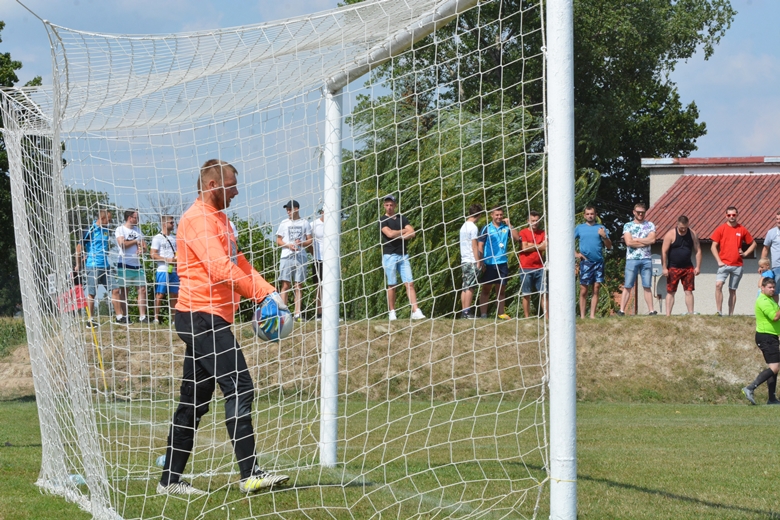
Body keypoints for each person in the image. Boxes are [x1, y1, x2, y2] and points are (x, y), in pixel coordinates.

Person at [158, 159, 290, 496]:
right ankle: (250, 474)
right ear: (214, 185)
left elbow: (239, 262)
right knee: (241, 386)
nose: (236, 191)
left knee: (194, 401)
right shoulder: (198, 219)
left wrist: (270, 293)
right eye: (232, 185)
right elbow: (218, 268)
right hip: (200, 317)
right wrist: (261, 295)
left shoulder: (222, 220)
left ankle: (170, 481)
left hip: (207, 318)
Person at [380, 195, 425, 321]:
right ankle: (392, 311)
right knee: (392, 284)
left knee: (409, 283)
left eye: (391, 205)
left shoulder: (402, 218)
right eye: (387, 205)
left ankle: (415, 310)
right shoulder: (383, 220)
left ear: (395, 205)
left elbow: (412, 232)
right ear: (384, 206)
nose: (389, 207)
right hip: (389, 255)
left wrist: (397, 234)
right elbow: (388, 233)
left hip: (403, 255)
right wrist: (403, 232)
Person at [75, 209, 122, 327]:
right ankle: (90, 320)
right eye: (109, 219)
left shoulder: (106, 230)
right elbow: (79, 248)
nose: (110, 222)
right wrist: (78, 264)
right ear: (103, 218)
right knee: (92, 293)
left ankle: (119, 317)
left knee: (115, 289)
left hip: (105, 266)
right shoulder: (89, 230)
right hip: (93, 266)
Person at [711, 206, 756, 316]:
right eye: (729, 215)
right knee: (718, 285)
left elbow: (753, 244)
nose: (731, 217)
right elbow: (713, 247)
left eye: (733, 215)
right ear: (725, 216)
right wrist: (719, 261)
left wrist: (745, 253)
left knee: (732, 290)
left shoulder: (742, 229)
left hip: (737, 265)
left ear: (737, 215)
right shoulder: (721, 229)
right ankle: (719, 312)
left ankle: (731, 314)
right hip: (724, 264)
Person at [742, 277, 780, 406]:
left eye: (773, 287)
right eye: (769, 287)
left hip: (771, 336)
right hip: (766, 337)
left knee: (773, 368)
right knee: (775, 367)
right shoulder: (763, 301)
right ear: (762, 288)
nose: (772, 289)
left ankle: (772, 399)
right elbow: (774, 317)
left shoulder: (770, 300)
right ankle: (750, 388)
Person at [276, 200, 312, 322]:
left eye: (290, 209)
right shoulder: (284, 223)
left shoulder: (305, 223)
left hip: (300, 257)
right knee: (285, 284)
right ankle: (283, 313)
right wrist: (288, 246)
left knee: (298, 285)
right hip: (286, 256)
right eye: (287, 209)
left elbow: (309, 240)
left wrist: (301, 243)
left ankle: (297, 314)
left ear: (296, 209)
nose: (288, 211)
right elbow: (278, 240)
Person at [618, 203, 657, 316]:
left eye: (642, 212)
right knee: (628, 285)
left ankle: (651, 310)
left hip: (646, 258)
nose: (640, 214)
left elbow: (652, 240)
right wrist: (644, 241)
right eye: (638, 212)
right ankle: (621, 310)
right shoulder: (628, 225)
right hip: (632, 259)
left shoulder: (650, 225)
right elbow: (629, 242)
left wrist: (637, 240)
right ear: (634, 212)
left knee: (647, 285)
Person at [574, 206, 612, 319]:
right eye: (588, 214)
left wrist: (604, 236)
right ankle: (582, 316)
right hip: (586, 262)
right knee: (583, 289)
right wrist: (576, 254)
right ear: (584, 215)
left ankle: (592, 315)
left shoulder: (601, 228)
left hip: (598, 262)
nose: (590, 215)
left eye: (592, 214)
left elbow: (609, 246)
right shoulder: (579, 228)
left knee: (596, 287)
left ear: (595, 215)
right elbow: (568, 241)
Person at [660, 215, 701, 316]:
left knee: (689, 291)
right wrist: (664, 267)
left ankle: (691, 313)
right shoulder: (670, 234)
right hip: (673, 268)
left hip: (688, 267)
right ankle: (668, 315)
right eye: (681, 228)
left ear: (688, 225)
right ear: (677, 224)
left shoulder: (692, 234)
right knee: (671, 291)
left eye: (685, 228)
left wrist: (698, 266)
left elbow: (698, 250)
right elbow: (664, 252)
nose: (683, 230)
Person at [477, 205, 512, 320]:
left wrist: (510, 225)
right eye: (496, 214)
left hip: (502, 263)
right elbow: (480, 245)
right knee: (486, 289)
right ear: (492, 215)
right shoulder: (486, 228)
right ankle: (483, 314)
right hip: (490, 263)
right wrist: (481, 261)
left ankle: (501, 313)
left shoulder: (506, 228)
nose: (499, 217)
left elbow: (517, 238)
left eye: (501, 214)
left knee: (501, 290)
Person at [114, 209, 147, 324]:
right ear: (129, 218)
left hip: (137, 264)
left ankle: (143, 317)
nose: (137, 220)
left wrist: (142, 250)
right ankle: (126, 316)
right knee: (124, 291)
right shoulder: (120, 229)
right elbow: (122, 244)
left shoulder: (138, 230)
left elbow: (144, 246)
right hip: (124, 264)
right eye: (136, 217)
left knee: (142, 289)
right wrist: (135, 241)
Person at [515, 211, 547, 318]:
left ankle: (547, 317)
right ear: (528, 221)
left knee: (544, 293)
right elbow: (524, 247)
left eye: (537, 220)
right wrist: (538, 245)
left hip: (540, 267)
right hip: (526, 267)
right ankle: (527, 317)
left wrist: (531, 245)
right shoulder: (523, 232)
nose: (535, 222)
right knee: (526, 294)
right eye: (533, 220)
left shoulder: (543, 233)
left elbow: (545, 247)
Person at [150, 215, 179, 324]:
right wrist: (166, 259)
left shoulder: (174, 238)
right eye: (171, 222)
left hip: (173, 270)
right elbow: (152, 254)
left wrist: (175, 259)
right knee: (160, 294)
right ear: (164, 223)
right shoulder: (157, 237)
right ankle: (156, 318)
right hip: (162, 269)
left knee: (174, 294)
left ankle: (174, 320)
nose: (173, 224)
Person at [459, 203, 483, 319]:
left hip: (464, 259)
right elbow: (474, 246)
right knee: (470, 287)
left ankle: (464, 311)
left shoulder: (463, 226)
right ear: (478, 215)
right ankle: (467, 312)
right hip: (471, 260)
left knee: (465, 286)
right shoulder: (473, 227)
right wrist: (478, 261)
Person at [310, 209, 325, 321]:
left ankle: (332, 313)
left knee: (331, 287)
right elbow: (308, 240)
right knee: (318, 287)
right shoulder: (313, 224)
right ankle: (319, 314)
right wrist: (313, 252)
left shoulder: (335, 224)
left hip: (332, 259)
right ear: (322, 212)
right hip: (318, 259)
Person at [761, 210, 780, 281]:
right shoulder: (771, 232)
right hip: (777, 266)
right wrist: (762, 265)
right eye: (777, 219)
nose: (778, 221)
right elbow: (765, 249)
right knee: (775, 289)